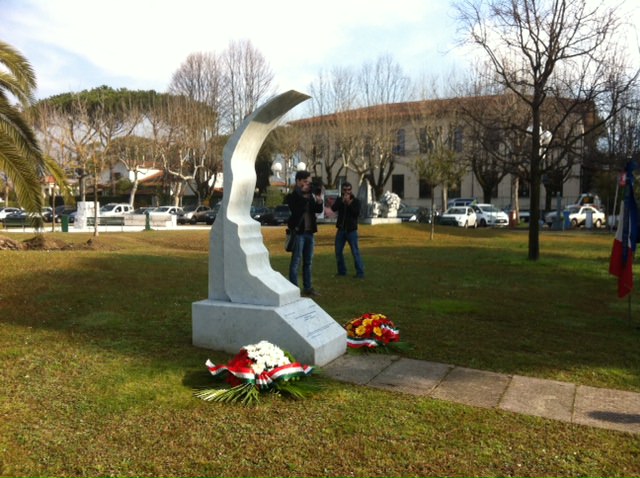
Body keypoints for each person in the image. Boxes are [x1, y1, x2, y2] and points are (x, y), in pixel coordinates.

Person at [285, 170, 324, 296]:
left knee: (308, 261)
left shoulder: (310, 195)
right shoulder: (293, 196)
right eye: (305, 182)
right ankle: (294, 288)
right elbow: (296, 211)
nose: (308, 184)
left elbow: (316, 210)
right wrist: (304, 196)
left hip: (309, 232)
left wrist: (319, 201)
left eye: (309, 182)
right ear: (298, 181)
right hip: (298, 233)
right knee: (296, 261)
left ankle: (308, 287)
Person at [331, 181, 364, 279]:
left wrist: (349, 203)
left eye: (348, 190)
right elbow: (334, 208)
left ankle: (360, 272)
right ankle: (342, 271)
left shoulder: (356, 201)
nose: (347, 192)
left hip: (351, 230)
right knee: (338, 251)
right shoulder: (339, 199)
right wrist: (342, 201)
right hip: (341, 230)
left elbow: (356, 213)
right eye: (345, 190)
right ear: (342, 190)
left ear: (351, 190)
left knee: (355, 251)